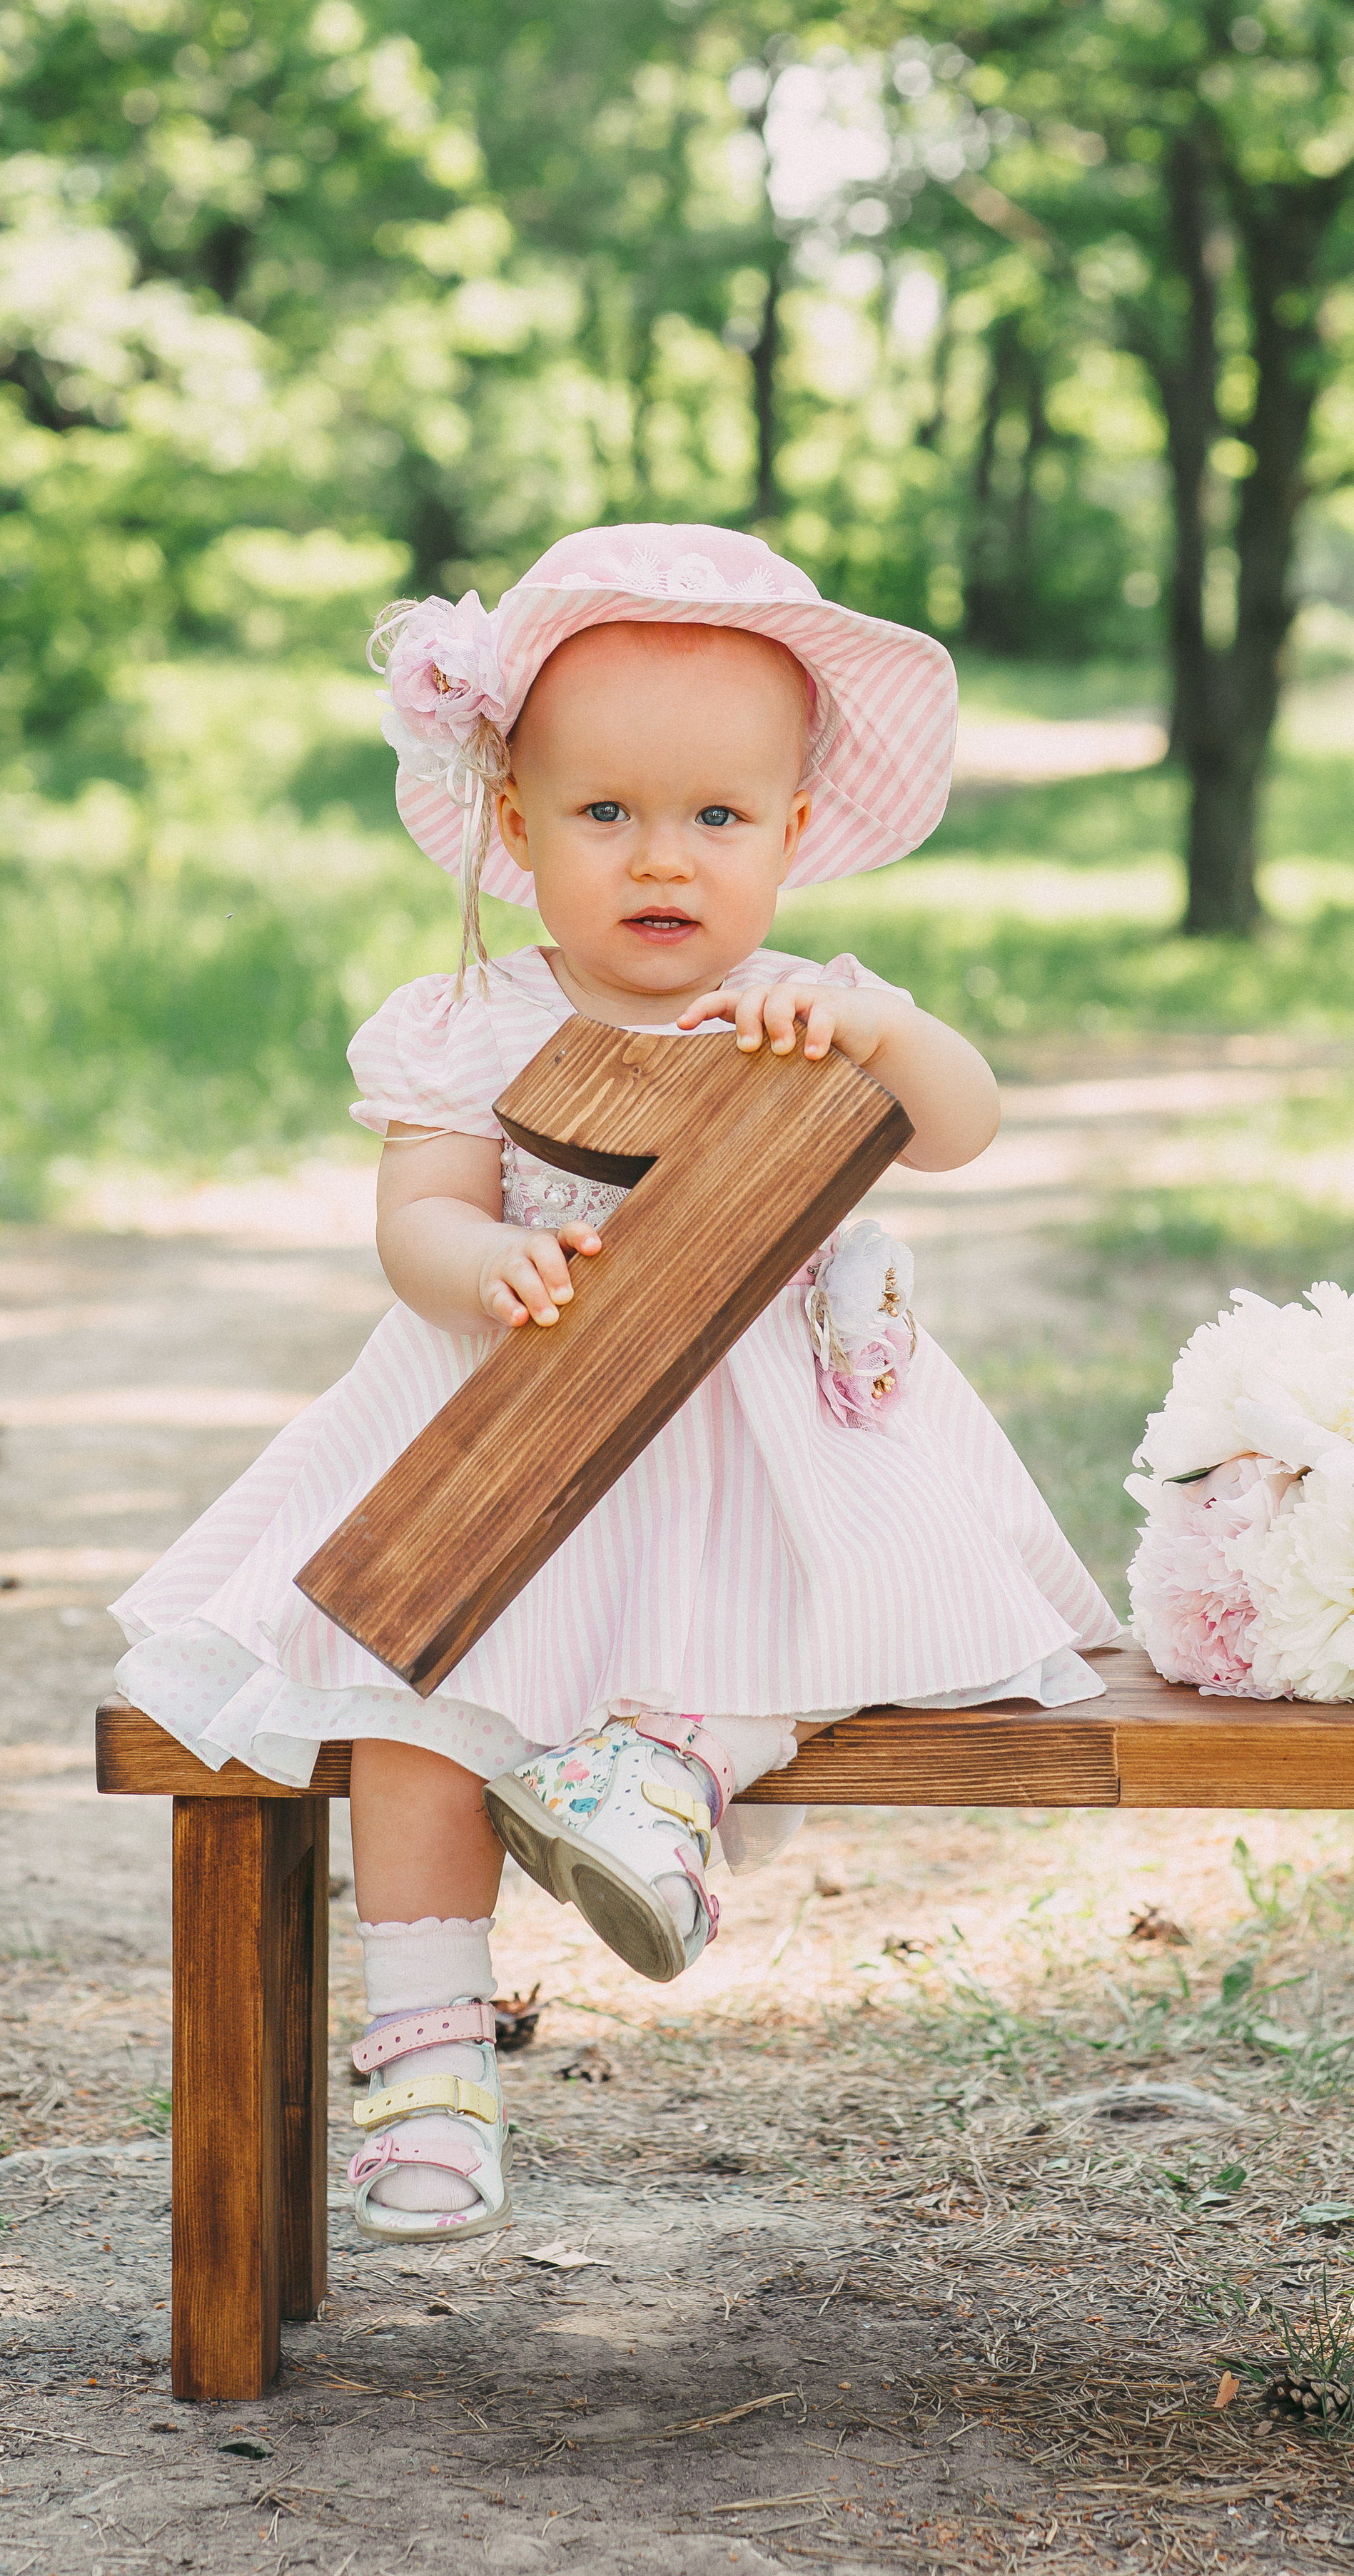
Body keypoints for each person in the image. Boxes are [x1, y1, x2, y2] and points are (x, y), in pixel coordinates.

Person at [113, 523, 1120, 2246]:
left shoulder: (803, 1010)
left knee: (866, 1599)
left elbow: (962, 1127)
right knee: (407, 1696)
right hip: (508, 1439)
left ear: (794, 835)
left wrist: (874, 1034)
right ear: (515, 827)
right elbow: (414, 1214)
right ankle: (430, 2058)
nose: (664, 860)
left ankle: (662, 1768)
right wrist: (472, 1262)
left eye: (718, 819)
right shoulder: (471, 1021)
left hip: (764, 1443)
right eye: (606, 816)